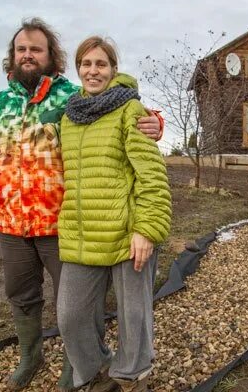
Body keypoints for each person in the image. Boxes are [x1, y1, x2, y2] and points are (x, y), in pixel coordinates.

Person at [0, 18, 163, 391]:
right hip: (24, 222)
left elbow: (130, 122)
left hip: (61, 221)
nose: (28, 55)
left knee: (105, 309)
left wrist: (155, 122)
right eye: (21, 49)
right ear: (12, 56)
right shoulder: (3, 104)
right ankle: (36, 357)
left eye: (36, 49)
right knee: (40, 301)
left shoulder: (70, 97)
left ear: (52, 57)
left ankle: (105, 373)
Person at [56, 36, 171, 392]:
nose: (93, 70)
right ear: (78, 69)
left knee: (133, 316)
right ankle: (97, 371)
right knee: (71, 316)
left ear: (113, 69)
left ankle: (133, 376)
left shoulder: (130, 111)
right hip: (83, 232)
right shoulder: (69, 117)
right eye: (86, 64)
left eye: (100, 64)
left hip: (127, 233)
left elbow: (151, 175)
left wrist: (146, 230)